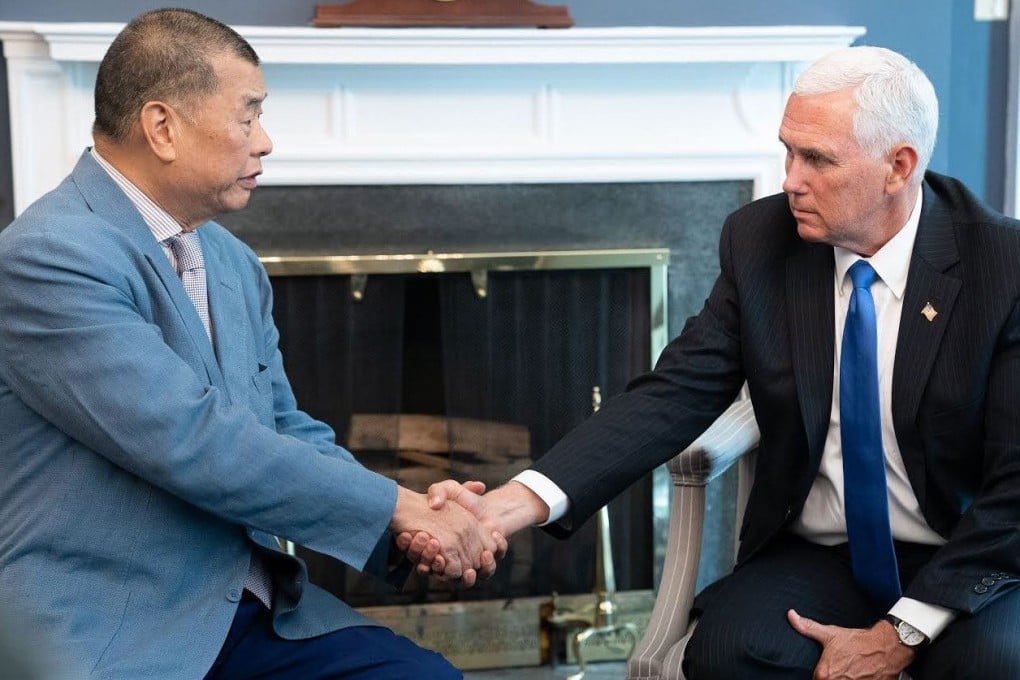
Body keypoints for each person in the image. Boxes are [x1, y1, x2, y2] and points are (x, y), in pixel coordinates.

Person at [420, 46, 1020, 679]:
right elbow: (673, 392)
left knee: (991, 665)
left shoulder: (1002, 268)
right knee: (731, 653)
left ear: (898, 166)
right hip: (822, 553)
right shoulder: (762, 242)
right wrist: (508, 507)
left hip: (969, 551)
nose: (790, 178)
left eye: (817, 159)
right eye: (788, 150)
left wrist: (901, 632)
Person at [0, 9, 503, 679]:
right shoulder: (47, 257)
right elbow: (191, 439)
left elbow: (283, 427)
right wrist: (403, 507)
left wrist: (403, 525)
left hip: (250, 609)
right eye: (248, 116)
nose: (264, 142)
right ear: (162, 127)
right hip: (111, 628)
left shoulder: (230, 261)